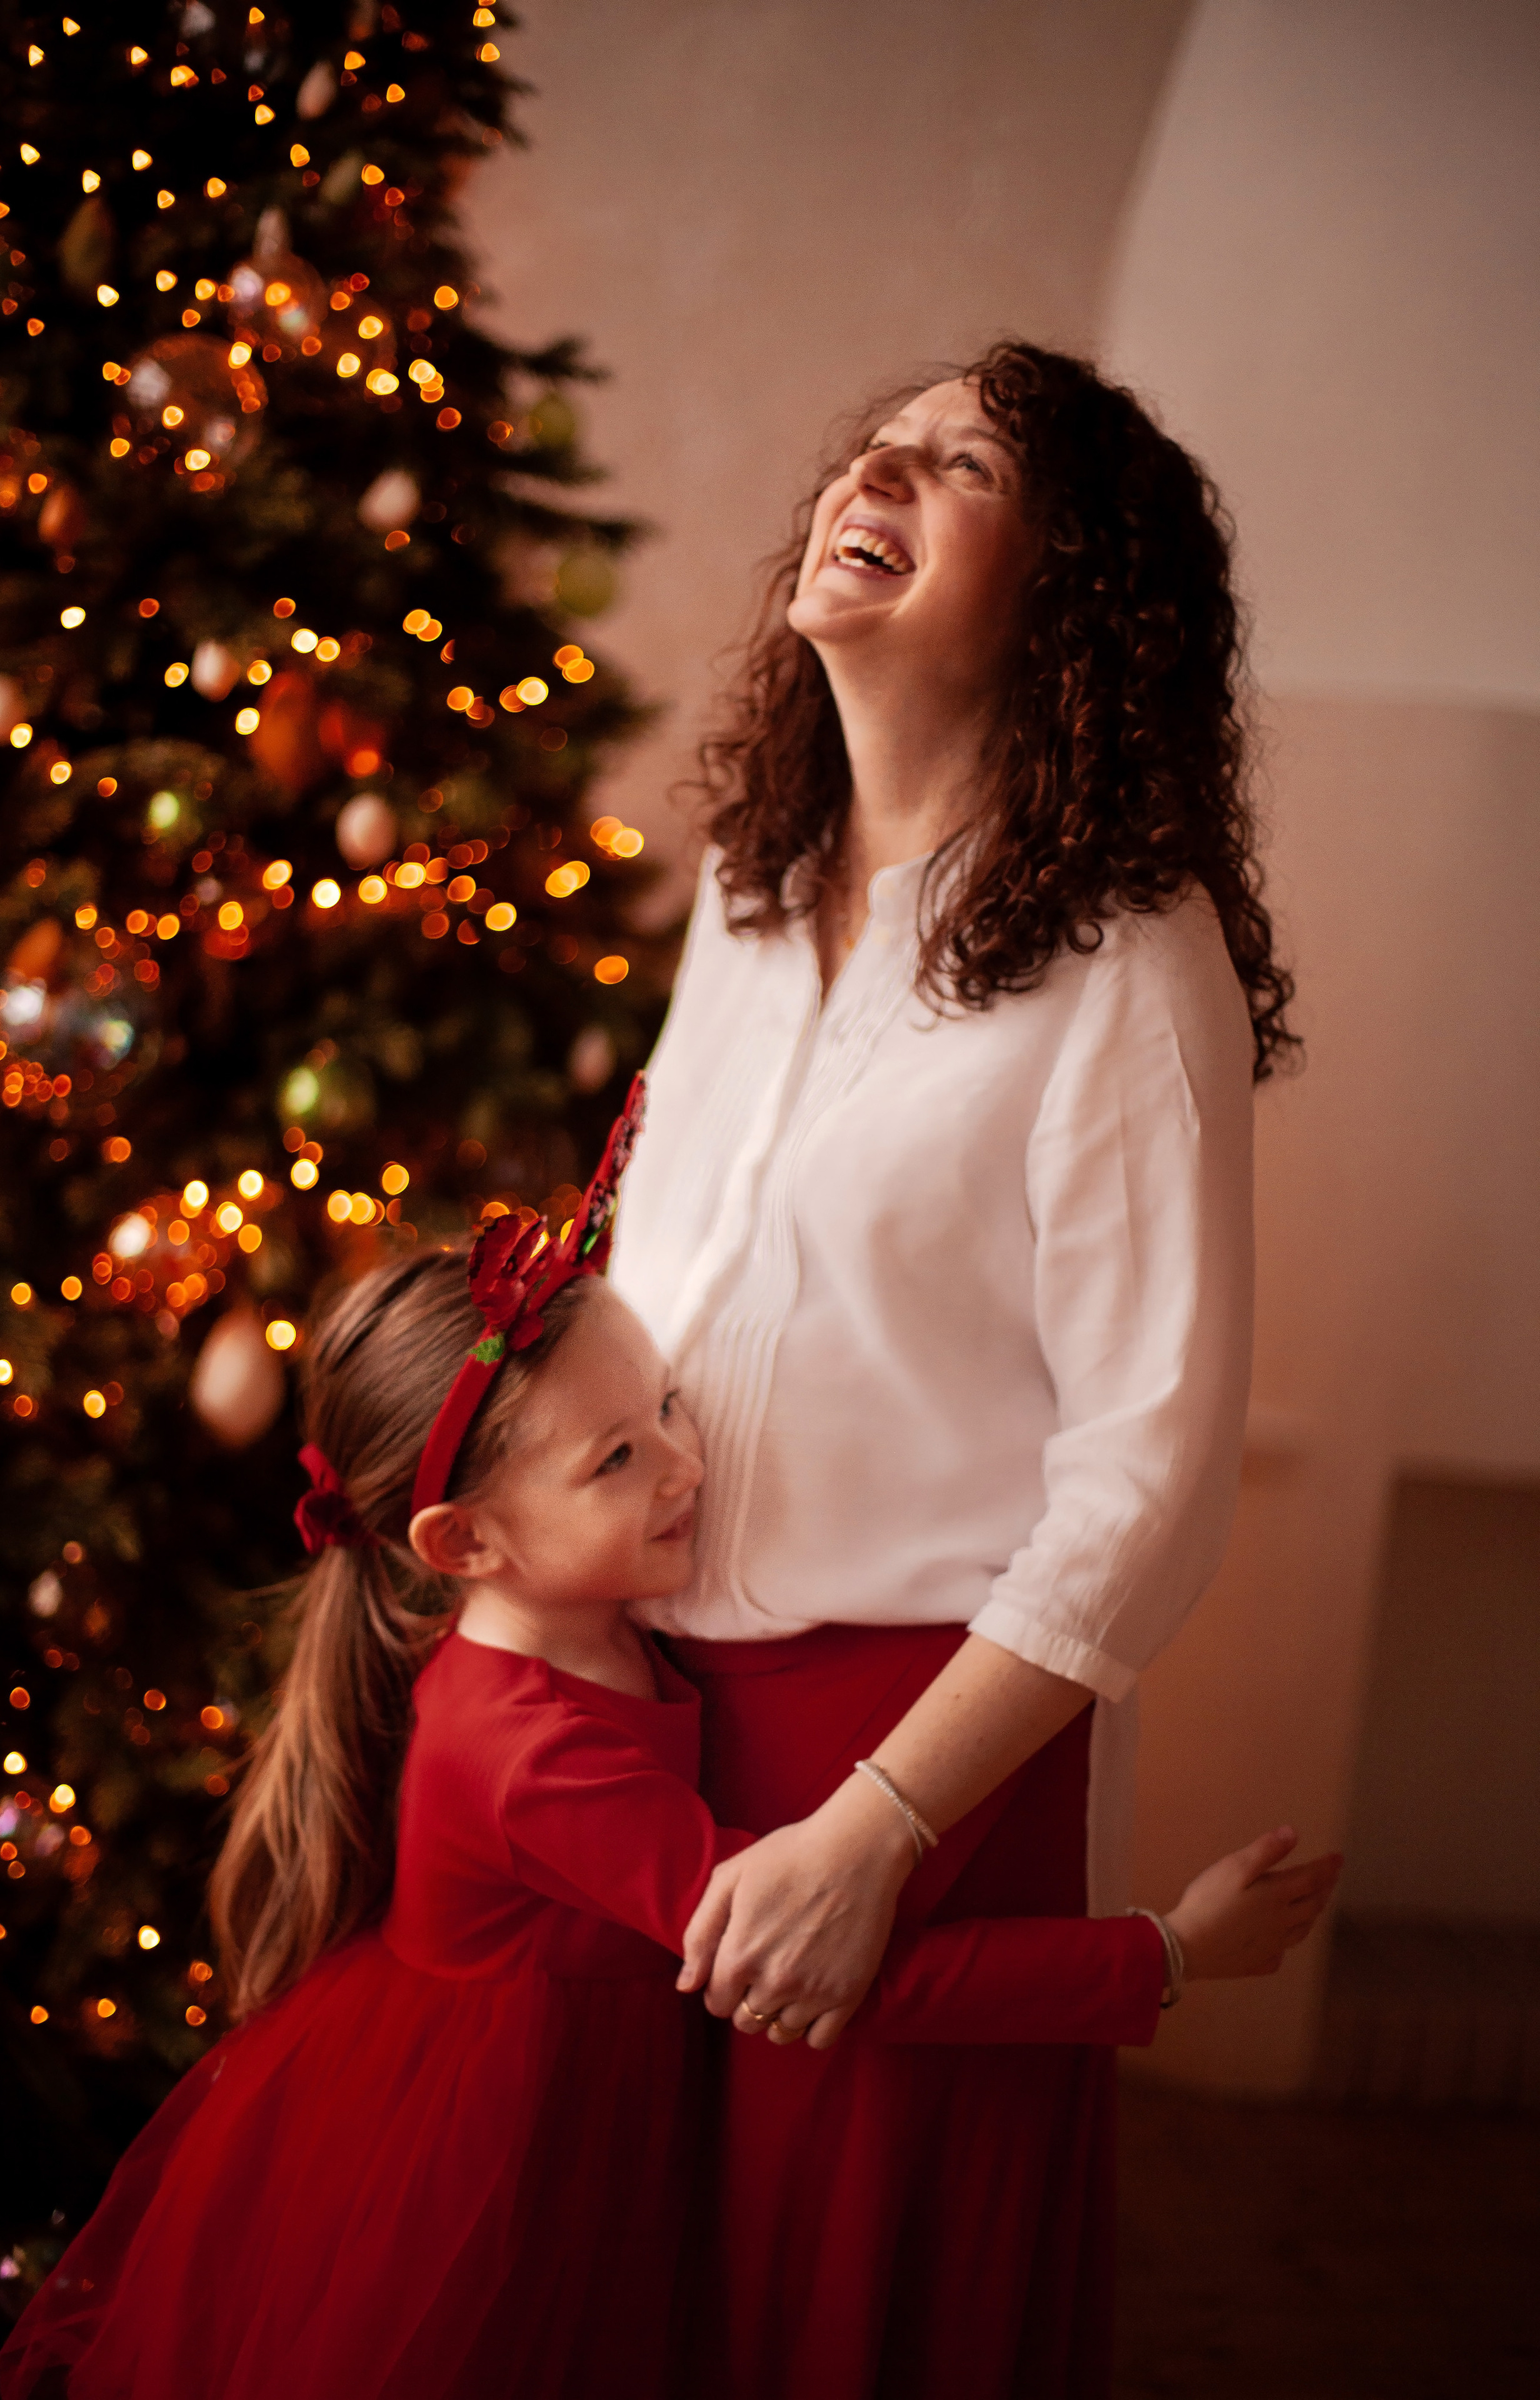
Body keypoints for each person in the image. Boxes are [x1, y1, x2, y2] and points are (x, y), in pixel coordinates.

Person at [0, 1167, 1336, 2400]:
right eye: (617, 1458)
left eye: (666, 1409)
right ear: (465, 1540)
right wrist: (1159, 1955)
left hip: (599, 2110)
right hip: (491, 2159)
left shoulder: (605, 1622)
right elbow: (834, 1973)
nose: (685, 1464)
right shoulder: (536, 1761)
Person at [611, 339, 1299, 2395]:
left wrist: (873, 1831)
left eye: (962, 455)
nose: (880, 461)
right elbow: (650, 1299)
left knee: (845, 2330)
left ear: (1080, 586)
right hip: (647, 1732)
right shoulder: (743, 901)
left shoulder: (1130, 952)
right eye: (873, 437)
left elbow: (1150, 1480)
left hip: (920, 1773)